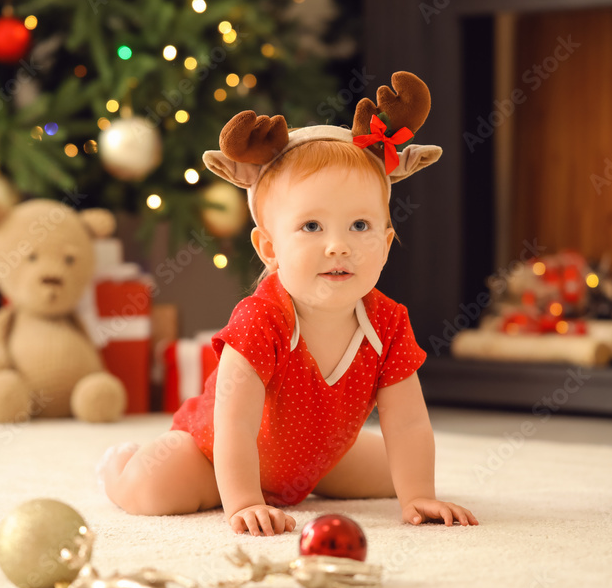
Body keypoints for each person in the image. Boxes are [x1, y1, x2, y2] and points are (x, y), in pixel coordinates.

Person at [99, 72, 478, 536]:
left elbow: (409, 423)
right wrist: (243, 503)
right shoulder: (262, 319)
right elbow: (235, 423)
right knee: (152, 490)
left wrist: (418, 495)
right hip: (215, 454)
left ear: (386, 242)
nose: (338, 246)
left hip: (318, 460)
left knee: (396, 468)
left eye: (360, 226)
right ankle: (117, 472)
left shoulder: (389, 323)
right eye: (312, 227)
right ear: (269, 247)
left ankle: (355, 477)